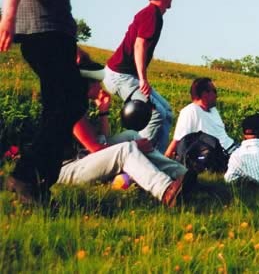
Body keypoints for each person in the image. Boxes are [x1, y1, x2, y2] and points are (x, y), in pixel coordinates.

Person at [0, 0, 88, 204]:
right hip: (42, 35)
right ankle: (26, 174)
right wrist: (7, 18)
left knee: (66, 105)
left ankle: (36, 180)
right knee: (69, 102)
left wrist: (72, 42)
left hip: (58, 37)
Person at [57, 58, 195, 207]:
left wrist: (103, 111)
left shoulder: (80, 106)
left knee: (131, 135)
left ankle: (181, 174)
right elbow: (95, 149)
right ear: (89, 84)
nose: (101, 86)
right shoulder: (72, 110)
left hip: (81, 161)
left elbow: (102, 140)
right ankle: (166, 190)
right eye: (98, 82)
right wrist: (135, 146)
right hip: (66, 170)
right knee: (126, 149)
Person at [104, 0, 175, 153]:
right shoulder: (151, 14)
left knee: (166, 112)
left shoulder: (154, 14)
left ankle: (159, 162)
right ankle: (136, 157)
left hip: (128, 76)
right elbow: (139, 44)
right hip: (120, 76)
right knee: (155, 114)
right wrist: (143, 79)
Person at [165, 78, 239, 159]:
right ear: (205, 94)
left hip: (232, 147)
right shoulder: (190, 111)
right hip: (221, 153)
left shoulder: (213, 110)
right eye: (214, 91)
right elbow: (178, 140)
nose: (216, 95)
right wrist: (165, 159)